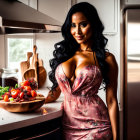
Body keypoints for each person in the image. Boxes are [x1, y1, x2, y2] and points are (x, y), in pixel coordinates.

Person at [46, 2, 119, 140]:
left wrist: (117, 137)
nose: (77, 31)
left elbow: (111, 100)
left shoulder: (107, 58)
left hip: (97, 128)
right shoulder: (65, 54)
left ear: (94, 25)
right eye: (73, 25)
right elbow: (57, 91)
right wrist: (34, 101)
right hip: (68, 128)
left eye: (83, 24)